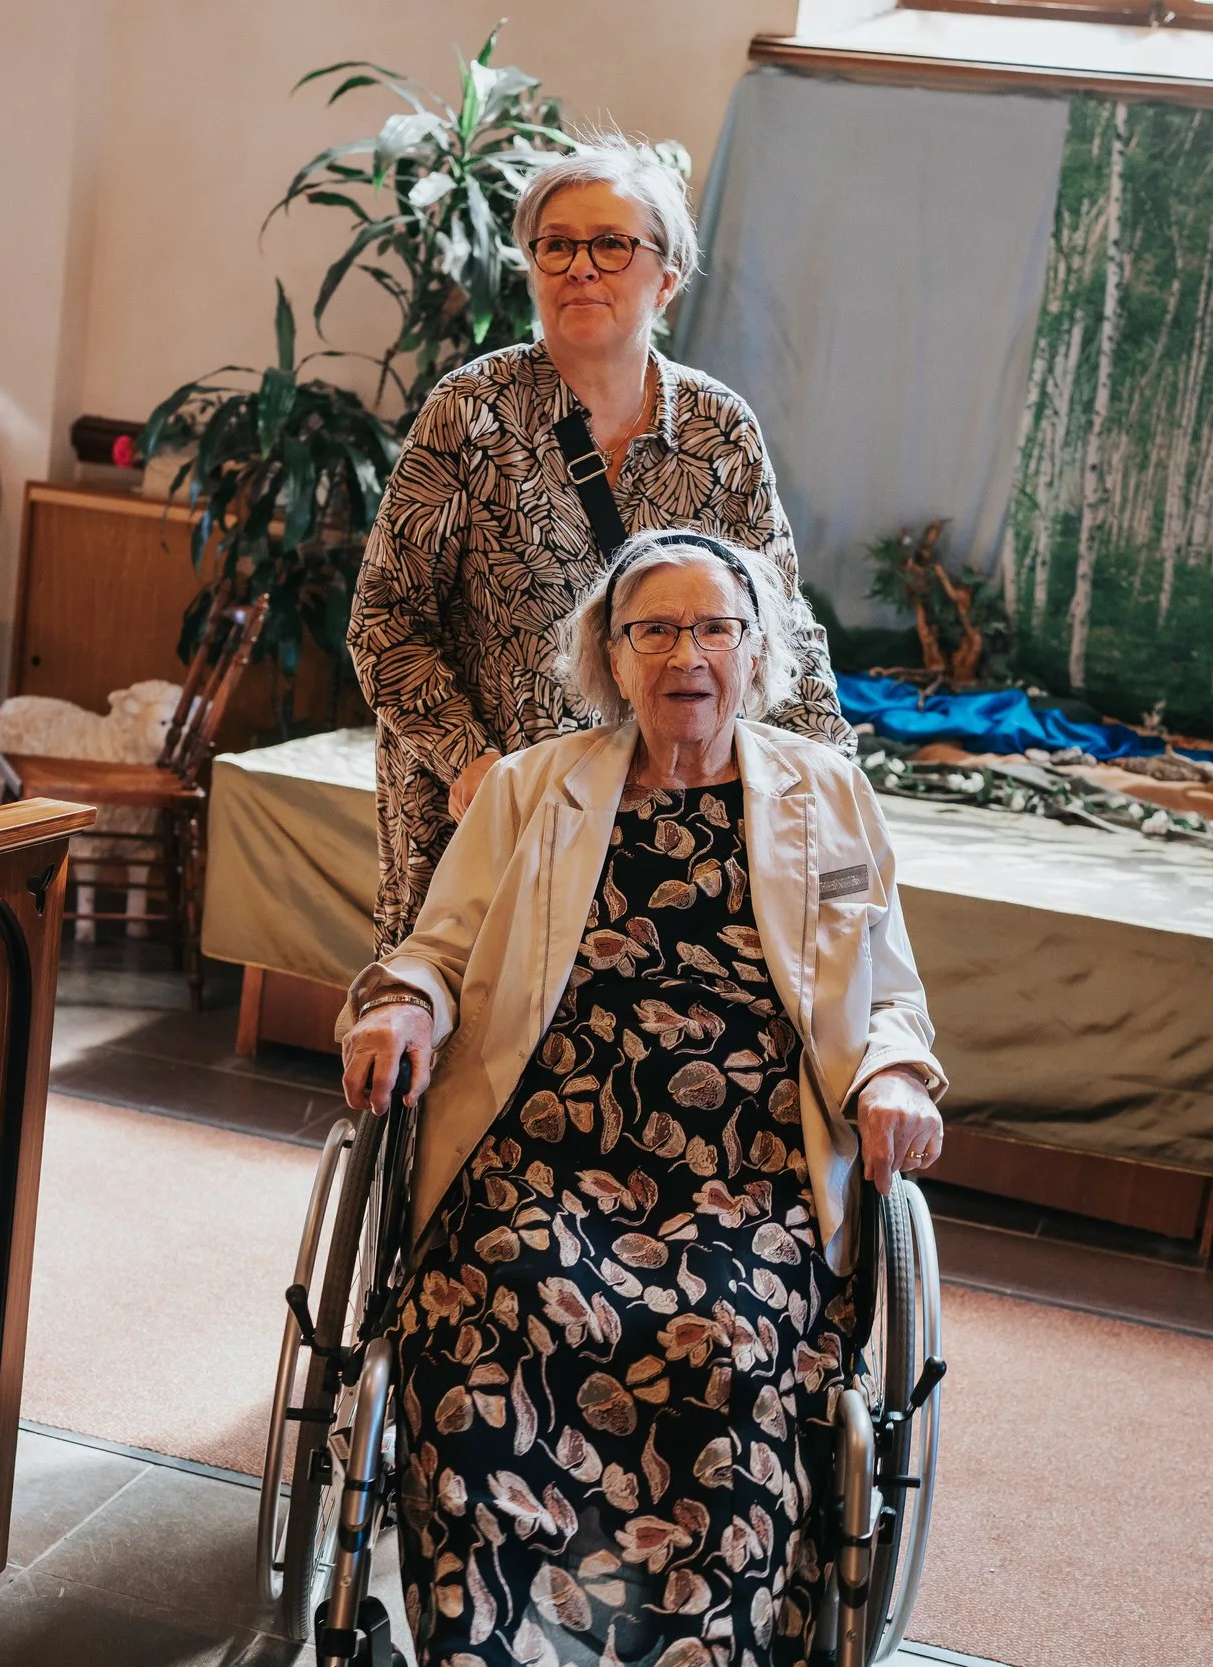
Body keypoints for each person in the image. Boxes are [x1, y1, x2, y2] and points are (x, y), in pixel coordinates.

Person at [340, 531, 947, 1667]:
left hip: (750, 1167)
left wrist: (898, 1072)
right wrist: (402, 1005)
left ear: (755, 649)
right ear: (610, 657)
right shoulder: (533, 788)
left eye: (714, 626)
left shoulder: (829, 796)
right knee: (493, 1310)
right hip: (542, 1145)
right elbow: (440, 946)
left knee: (727, 1343)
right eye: (654, 629)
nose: (687, 654)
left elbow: (887, 987)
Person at [349, 137, 855, 955]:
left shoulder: (718, 428)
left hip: (665, 824)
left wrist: (835, 785)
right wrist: (470, 762)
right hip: (494, 818)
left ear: (667, 276)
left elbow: (780, 631)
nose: (580, 266)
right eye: (557, 245)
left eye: (611, 243)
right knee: (464, 1047)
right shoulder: (469, 411)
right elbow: (385, 622)